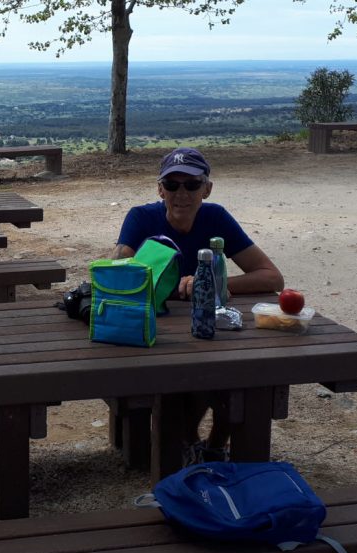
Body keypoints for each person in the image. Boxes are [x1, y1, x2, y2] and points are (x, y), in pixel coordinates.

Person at [113, 147, 284, 464]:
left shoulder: (215, 218)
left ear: (207, 189)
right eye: (173, 185)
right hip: (157, 332)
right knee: (195, 378)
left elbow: (272, 278)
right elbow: (118, 272)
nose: (182, 194)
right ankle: (189, 442)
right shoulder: (141, 218)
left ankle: (216, 446)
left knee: (237, 371)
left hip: (206, 329)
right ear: (160, 189)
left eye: (191, 185)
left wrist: (212, 285)